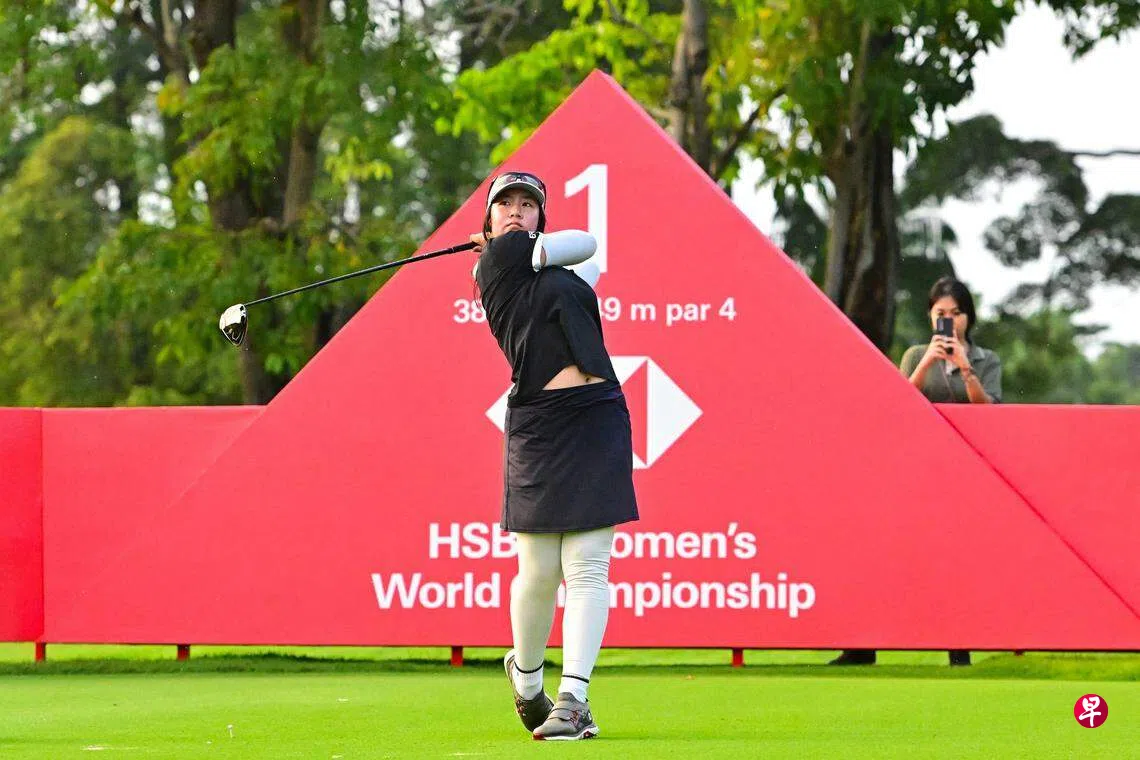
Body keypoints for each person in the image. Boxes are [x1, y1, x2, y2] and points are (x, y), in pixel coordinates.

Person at [471, 170, 638, 740]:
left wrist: (538, 251)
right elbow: (582, 242)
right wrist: (507, 245)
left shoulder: (557, 271)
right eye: (505, 205)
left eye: (528, 204)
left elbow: (588, 253)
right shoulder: (496, 261)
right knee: (539, 571)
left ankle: (574, 699)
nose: (517, 212)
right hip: (539, 424)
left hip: (597, 414)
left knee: (588, 565)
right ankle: (526, 681)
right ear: (489, 220)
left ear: (542, 215)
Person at [830, 276, 1002, 668]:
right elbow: (898, 403)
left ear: (968, 317)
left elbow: (990, 412)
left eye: (957, 313)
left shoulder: (986, 360)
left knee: (951, 562)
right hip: (915, 471)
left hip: (964, 474)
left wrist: (964, 367)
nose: (950, 320)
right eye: (942, 313)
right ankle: (861, 646)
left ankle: (958, 649)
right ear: (930, 316)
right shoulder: (915, 355)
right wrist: (928, 362)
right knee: (885, 554)